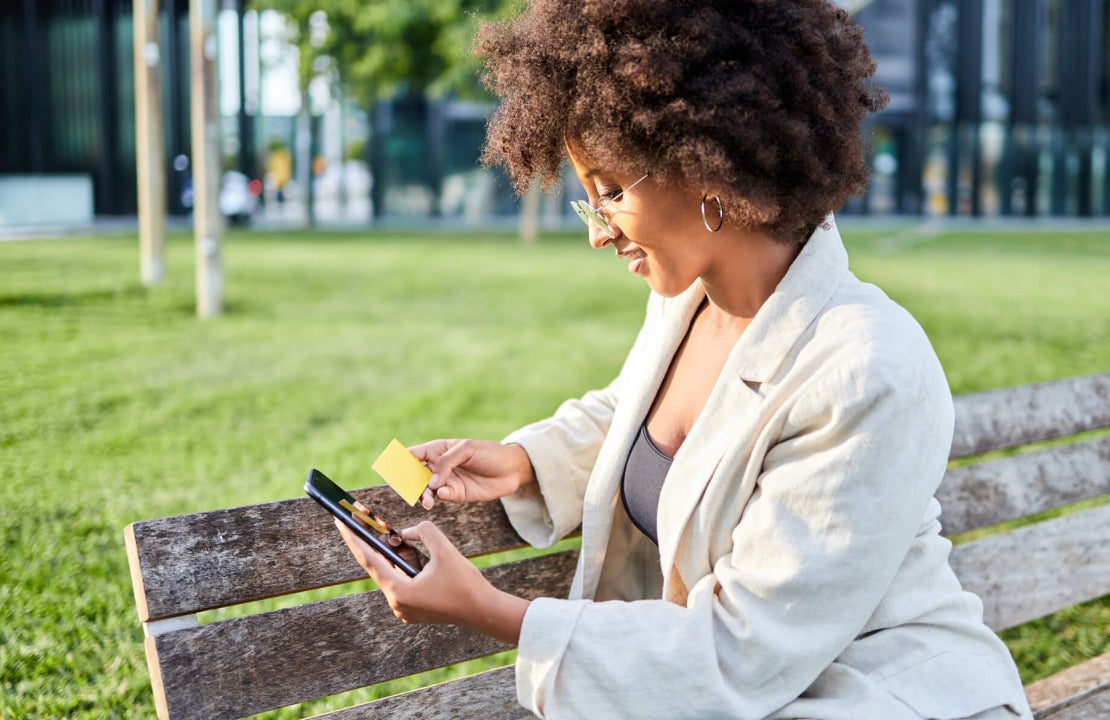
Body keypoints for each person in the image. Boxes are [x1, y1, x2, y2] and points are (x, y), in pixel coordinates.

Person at [334, 1, 1033, 718]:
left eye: (610, 190)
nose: (598, 234)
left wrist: (489, 610)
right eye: (587, 201)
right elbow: (653, 419)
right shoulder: (688, 300)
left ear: (706, 155)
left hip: (885, 692)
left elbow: (739, 651)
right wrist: (525, 463)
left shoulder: (869, 369)